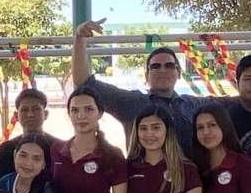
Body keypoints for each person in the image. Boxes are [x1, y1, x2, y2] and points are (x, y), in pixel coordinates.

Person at [71, 18, 219, 153]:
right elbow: (84, 82)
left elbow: (235, 101)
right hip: (143, 180)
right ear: (147, 75)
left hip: (190, 179)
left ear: (179, 73)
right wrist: (79, 39)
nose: (162, 70)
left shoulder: (195, 104)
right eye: (155, 66)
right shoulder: (131, 102)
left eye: (169, 66)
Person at [0, 89, 57, 179]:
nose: (30, 114)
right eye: (24, 110)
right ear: (16, 116)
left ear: (45, 114)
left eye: (36, 109)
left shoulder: (58, 148)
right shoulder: (6, 149)